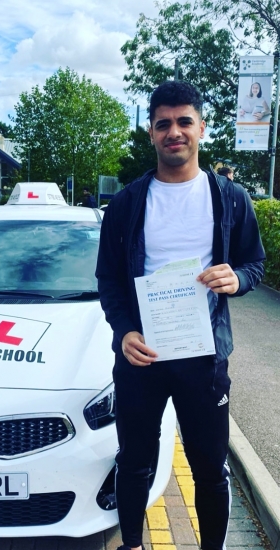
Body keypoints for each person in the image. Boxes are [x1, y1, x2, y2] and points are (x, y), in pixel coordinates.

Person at [96, 80, 265, 550]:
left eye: (184, 122)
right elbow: (108, 280)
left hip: (203, 357)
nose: (175, 132)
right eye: (163, 124)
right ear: (150, 132)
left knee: (209, 467)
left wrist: (239, 279)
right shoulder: (127, 204)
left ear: (201, 128)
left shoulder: (230, 198)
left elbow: (254, 262)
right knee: (134, 461)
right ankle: (131, 544)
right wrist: (125, 329)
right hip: (141, 357)